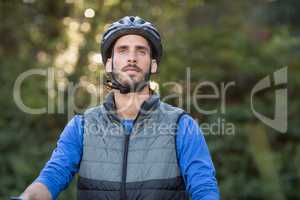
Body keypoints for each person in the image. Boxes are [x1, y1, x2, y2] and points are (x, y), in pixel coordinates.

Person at [15, 16, 219, 200]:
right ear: (109, 64)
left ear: (153, 65)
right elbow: (50, 179)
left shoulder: (181, 125)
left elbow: (204, 189)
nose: (132, 57)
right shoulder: (82, 126)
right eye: (123, 50)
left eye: (141, 50)